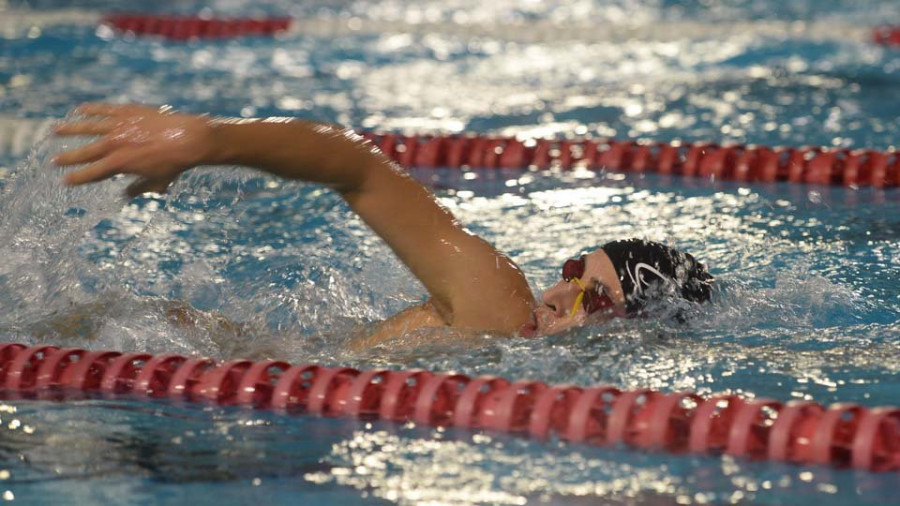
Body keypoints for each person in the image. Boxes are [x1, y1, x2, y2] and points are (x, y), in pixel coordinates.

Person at [52, 103, 713, 347]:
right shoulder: (499, 301)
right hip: (207, 366)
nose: (555, 294)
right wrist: (209, 139)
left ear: (638, 335)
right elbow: (359, 170)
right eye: (573, 271)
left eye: (590, 296)